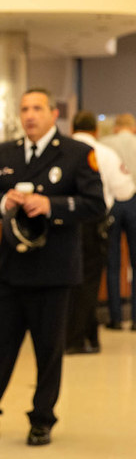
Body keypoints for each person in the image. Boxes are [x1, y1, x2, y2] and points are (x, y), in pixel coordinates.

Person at [0, 89, 104, 447]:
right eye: (24, 109)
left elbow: (95, 205)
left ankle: (42, 419)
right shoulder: (6, 153)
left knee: (48, 351)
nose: (30, 115)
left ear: (53, 113)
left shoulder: (77, 153)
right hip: (10, 269)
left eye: (37, 108)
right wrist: (4, 200)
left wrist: (51, 205)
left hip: (54, 270)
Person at [66, 111, 135, 354]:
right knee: (91, 279)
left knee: (73, 278)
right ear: (95, 130)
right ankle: (80, 337)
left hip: (64, 221)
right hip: (95, 220)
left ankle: (99, 328)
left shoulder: (62, 151)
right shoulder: (103, 152)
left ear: (72, 128)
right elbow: (124, 190)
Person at [100, 113, 136, 329]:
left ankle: (115, 318)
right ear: (133, 128)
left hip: (111, 203)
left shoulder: (104, 144)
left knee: (112, 263)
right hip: (135, 202)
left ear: (116, 128)